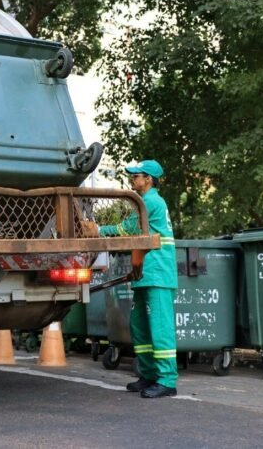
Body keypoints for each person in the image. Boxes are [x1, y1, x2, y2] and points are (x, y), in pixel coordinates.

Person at [99, 160, 178, 398]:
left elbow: (127, 229)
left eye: (137, 176)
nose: (133, 179)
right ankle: (149, 375)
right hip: (146, 272)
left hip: (158, 273)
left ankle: (167, 380)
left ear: (149, 179)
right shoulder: (144, 202)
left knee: (160, 327)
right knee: (140, 325)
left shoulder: (151, 201)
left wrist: (97, 230)